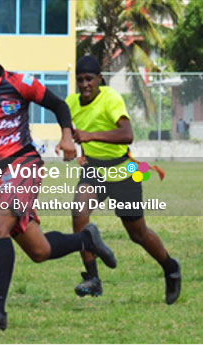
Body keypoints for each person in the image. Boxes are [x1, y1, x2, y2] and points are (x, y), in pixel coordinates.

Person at [0, 35, 117, 331]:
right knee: (39, 251)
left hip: (23, 165)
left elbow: (57, 105)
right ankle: (87, 239)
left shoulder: (18, 82)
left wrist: (67, 136)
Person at [66, 55, 180, 304]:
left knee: (137, 234)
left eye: (89, 79)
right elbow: (65, 125)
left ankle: (171, 267)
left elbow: (127, 134)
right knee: (78, 213)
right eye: (80, 80)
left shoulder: (111, 98)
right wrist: (66, 143)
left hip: (121, 170)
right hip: (94, 168)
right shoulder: (71, 102)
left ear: (100, 79)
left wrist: (90, 136)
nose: (84, 85)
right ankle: (93, 279)